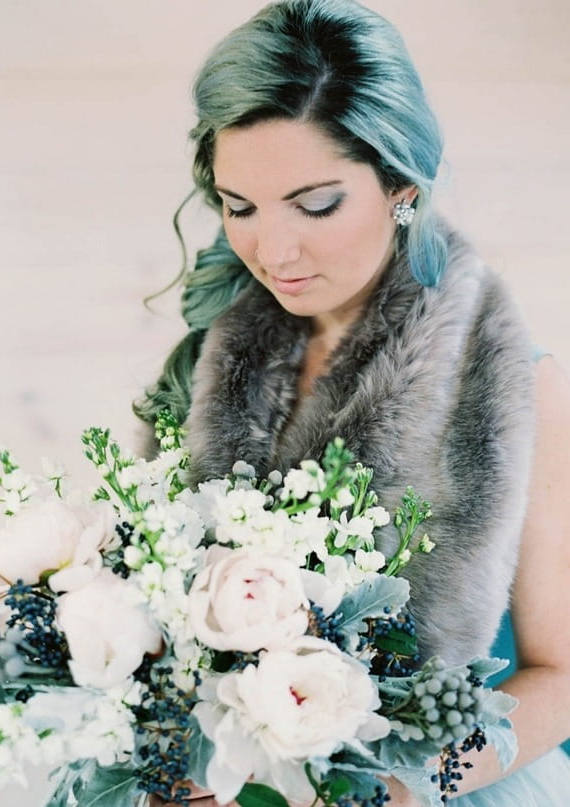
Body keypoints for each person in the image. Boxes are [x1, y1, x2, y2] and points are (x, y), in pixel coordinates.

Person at [136, 0, 570, 804]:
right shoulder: (204, 365)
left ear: (402, 186)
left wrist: (397, 787)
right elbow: (152, 629)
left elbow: (563, 674)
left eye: (316, 202)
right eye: (240, 206)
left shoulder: (516, 382)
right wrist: (166, 767)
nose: (273, 249)